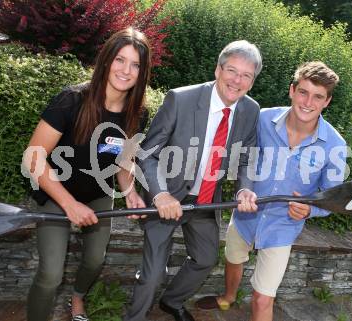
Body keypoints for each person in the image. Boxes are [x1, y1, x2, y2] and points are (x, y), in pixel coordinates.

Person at [195, 61, 348, 321]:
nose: (308, 101)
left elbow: (332, 198)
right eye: (303, 92)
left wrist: (310, 209)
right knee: (233, 258)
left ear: (327, 102)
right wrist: (242, 189)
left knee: (263, 298)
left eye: (318, 96)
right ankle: (229, 297)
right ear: (292, 90)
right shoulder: (262, 118)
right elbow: (242, 159)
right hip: (245, 215)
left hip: (283, 226)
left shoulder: (335, 145)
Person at [123, 40, 262, 321]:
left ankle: (171, 302)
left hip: (206, 202)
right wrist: (160, 194)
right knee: (151, 277)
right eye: (232, 71)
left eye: (246, 75)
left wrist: (245, 188)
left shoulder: (250, 110)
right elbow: (148, 154)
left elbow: (246, 159)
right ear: (218, 70)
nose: (237, 80)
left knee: (206, 260)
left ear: (252, 81)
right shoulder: (181, 99)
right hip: (167, 197)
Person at [23, 27, 151, 321]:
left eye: (135, 65)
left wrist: (130, 191)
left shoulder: (137, 113)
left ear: (142, 73)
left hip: (98, 193)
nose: (126, 70)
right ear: (107, 60)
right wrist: (69, 204)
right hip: (55, 194)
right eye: (120, 60)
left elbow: (123, 159)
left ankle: (77, 298)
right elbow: (34, 158)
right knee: (50, 274)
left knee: (95, 260)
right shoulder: (71, 100)